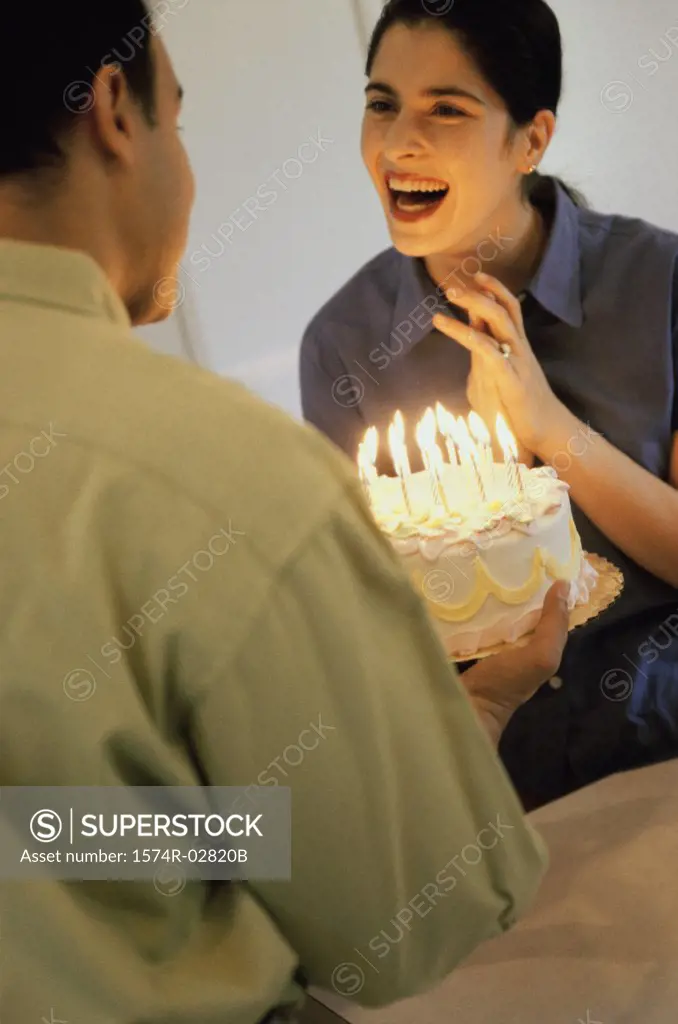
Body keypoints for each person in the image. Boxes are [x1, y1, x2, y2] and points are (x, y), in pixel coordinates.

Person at [0, 5, 571, 1024]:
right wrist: (478, 711)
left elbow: (37, 831)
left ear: (532, 136)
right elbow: (401, 916)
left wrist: (167, 832)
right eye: (180, 121)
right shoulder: (220, 473)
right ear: (116, 115)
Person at [300, 0, 678, 810]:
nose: (399, 143)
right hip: (490, 792)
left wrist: (550, 428)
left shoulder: (660, 283)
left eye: (447, 108)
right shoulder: (344, 343)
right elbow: (368, 617)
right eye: (381, 103)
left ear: (531, 139)